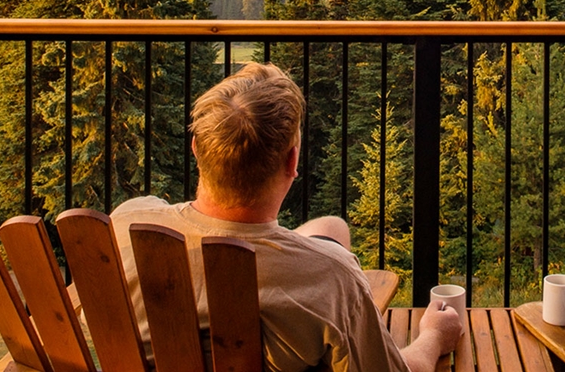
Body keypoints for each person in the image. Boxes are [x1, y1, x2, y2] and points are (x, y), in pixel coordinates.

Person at [109, 63, 460, 372]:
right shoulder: (332, 278)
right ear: (292, 162)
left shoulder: (128, 224)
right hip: (310, 283)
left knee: (330, 228)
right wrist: (432, 336)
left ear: (197, 148)